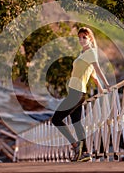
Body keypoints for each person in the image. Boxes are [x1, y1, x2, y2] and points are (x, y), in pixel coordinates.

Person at [51, 27, 110, 162]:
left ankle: (75, 144)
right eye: (79, 37)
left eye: (84, 37)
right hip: (76, 92)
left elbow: (98, 70)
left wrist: (106, 85)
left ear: (90, 38)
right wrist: (100, 89)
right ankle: (85, 153)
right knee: (77, 123)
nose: (81, 40)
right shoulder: (82, 53)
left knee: (56, 119)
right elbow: (93, 75)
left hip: (77, 93)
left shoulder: (91, 53)